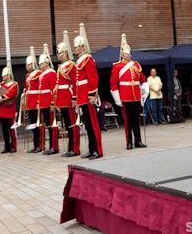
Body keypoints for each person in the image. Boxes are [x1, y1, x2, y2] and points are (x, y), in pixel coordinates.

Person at [110, 34, 148, 150]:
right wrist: (117, 98)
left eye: (130, 53)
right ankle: (129, 142)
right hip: (125, 97)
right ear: (122, 54)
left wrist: (144, 92)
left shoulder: (136, 65)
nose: (129, 55)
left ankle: (138, 141)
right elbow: (113, 83)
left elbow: (142, 79)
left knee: (136, 120)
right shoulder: (117, 67)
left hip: (136, 96)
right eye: (127, 53)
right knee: (128, 121)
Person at [74, 23, 103, 160]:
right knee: (87, 124)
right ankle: (91, 149)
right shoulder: (80, 60)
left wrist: (92, 95)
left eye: (77, 46)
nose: (75, 49)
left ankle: (97, 150)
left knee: (93, 124)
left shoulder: (88, 59)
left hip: (88, 95)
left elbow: (93, 79)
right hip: (82, 96)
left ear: (82, 47)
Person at [55, 31, 80, 157]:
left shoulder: (71, 65)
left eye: (59, 52)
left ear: (65, 53)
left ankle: (75, 149)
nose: (57, 55)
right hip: (62, 98)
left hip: (69, 98)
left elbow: (74, 83)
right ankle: (70, 148)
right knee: (68, 125)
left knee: (72, 124)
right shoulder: (61, 67)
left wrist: (74, 98)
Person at [38, 45, 59, 155]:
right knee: (48, 126)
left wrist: (52, 103)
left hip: (48, 102)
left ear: (47, 63)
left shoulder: (51, 72)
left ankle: (54, 147)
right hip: (43, 102)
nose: (40, 65)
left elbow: (54, 89)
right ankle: (50, 146)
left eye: (42, 63)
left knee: (52, 126)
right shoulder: (42, 74)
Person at [0, 65, 18, 153]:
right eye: (2, 76)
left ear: (8, 75)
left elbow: (11, 94)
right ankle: (6, 146)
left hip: (9, 108)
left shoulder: (14, 84)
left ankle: (13, 146)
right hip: (2, 109)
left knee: (11, 129)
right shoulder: (0, 85)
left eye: (4, 75)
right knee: (4, 130)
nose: (3, 77)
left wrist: (1, 97)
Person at [24, 47, 42, 153]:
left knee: (37, 125)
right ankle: (35, 145)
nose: (27, 66)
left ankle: (39, 145)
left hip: (35, 102)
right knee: (33, 125)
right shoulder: (27, 75)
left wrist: (38, 102)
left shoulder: (38, 73)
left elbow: (40, 88)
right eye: (26, 65)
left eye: (29, 64)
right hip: (29, 103)